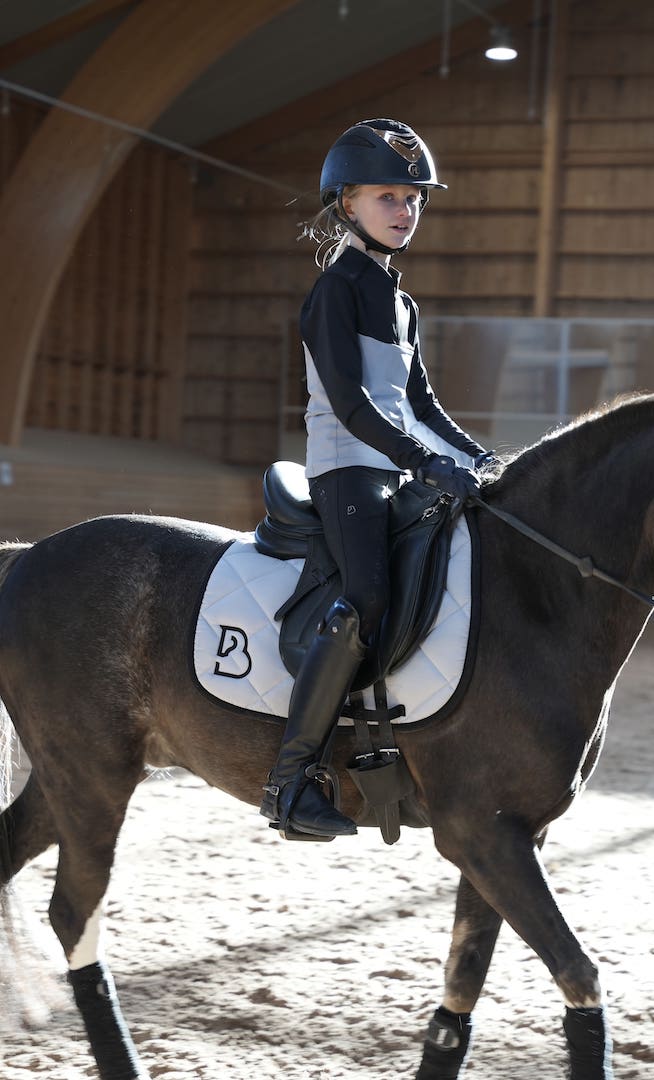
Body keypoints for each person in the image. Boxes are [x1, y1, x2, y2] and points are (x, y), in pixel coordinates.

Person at [260, 118, 496, 840]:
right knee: (365, 598)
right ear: (348, 203)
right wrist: (425, 460)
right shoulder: (336, 290)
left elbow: (422, 405)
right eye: (388, 197)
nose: (404, 211)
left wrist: (481, 456)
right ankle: (291, 779)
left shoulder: (400, 299)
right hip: (348, 469)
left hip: (395, 466)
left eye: (414, 199)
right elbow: (354, 405)